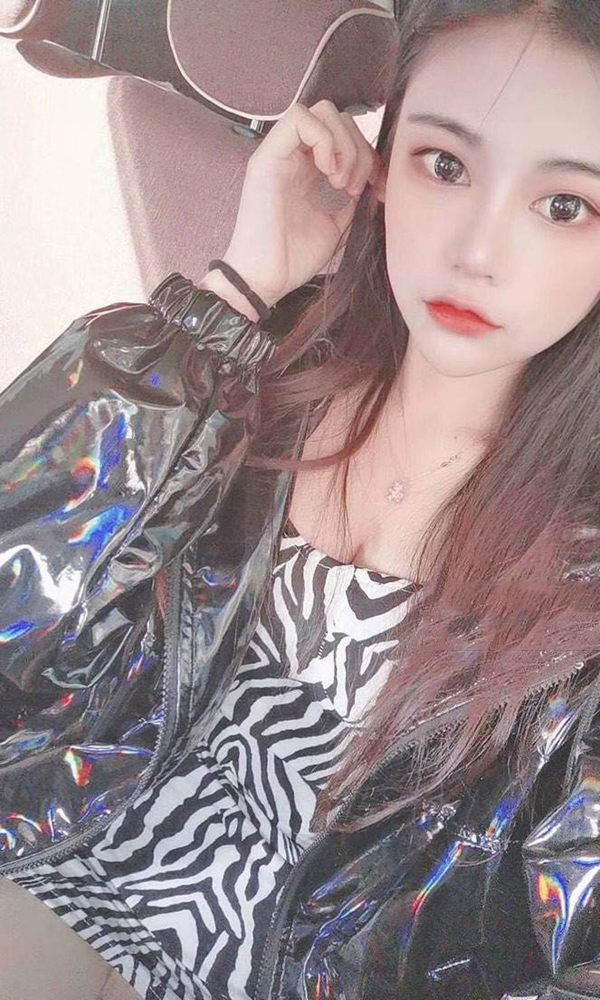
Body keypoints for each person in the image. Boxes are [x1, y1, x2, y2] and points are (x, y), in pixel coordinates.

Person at [3, 1, 600, 998]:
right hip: (56, 875)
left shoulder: (578, 587)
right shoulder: (239, 383)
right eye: (445, 164)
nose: (476, 250)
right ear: (381, 162)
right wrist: (236, 292)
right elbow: (16, 605)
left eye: (565, 206)